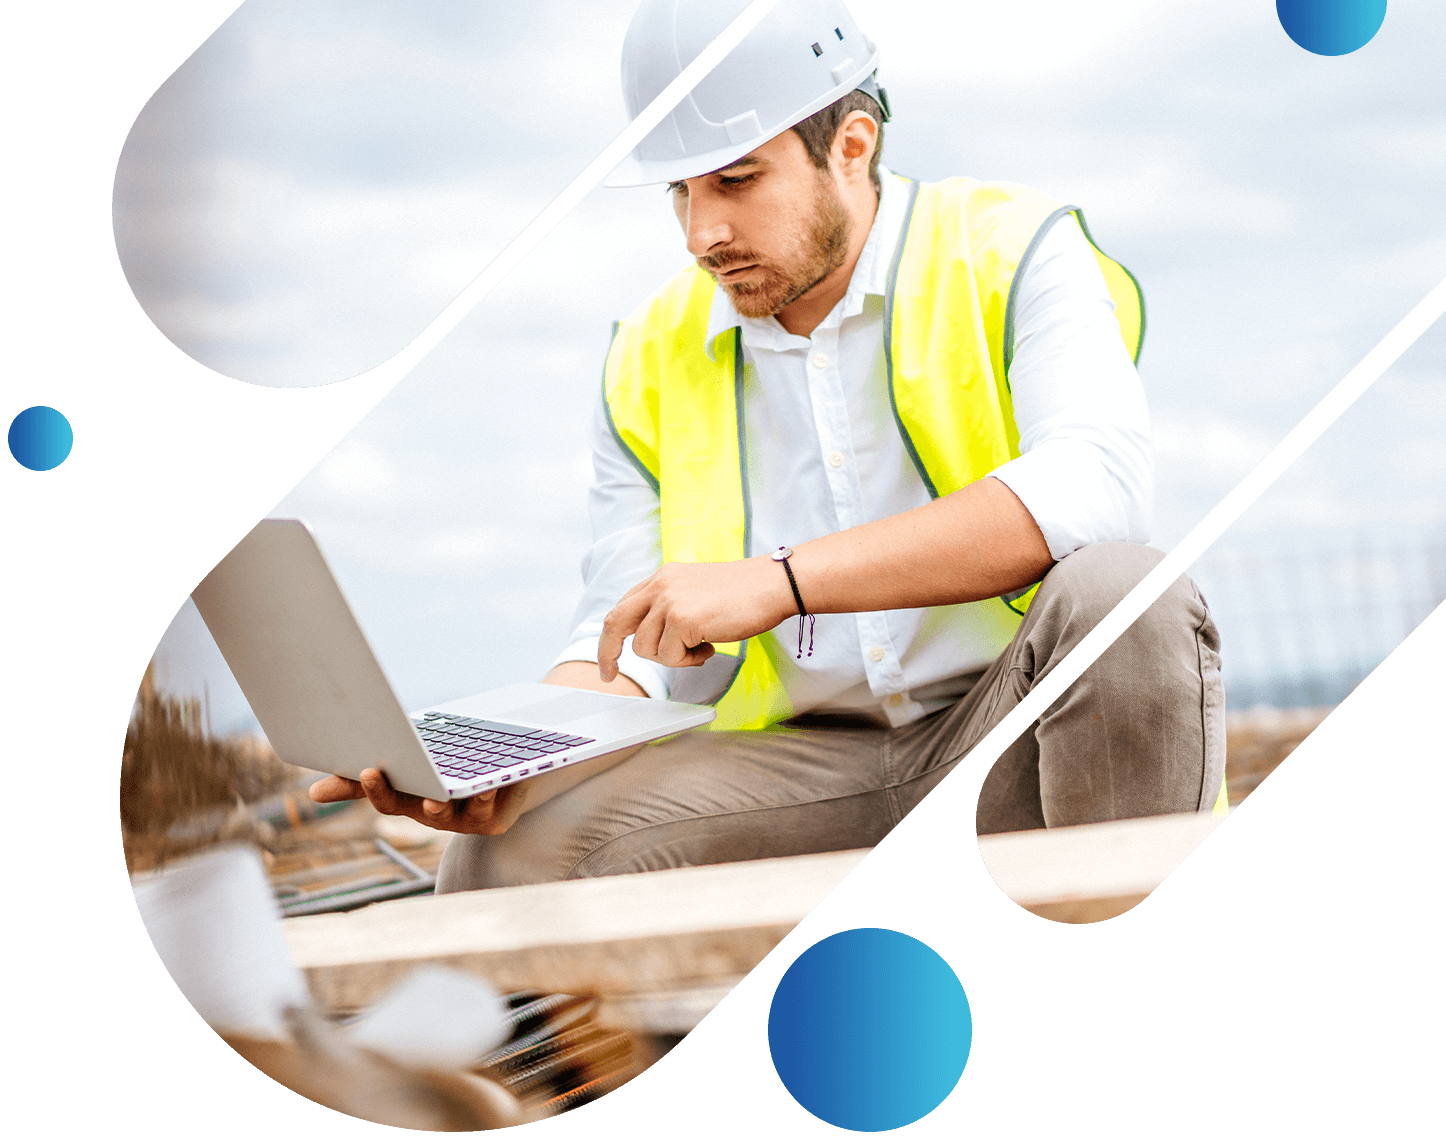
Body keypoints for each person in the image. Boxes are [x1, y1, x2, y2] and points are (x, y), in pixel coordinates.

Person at [310, 0, 1227, 889]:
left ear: (853, 145)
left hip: (1019, 737)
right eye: (681, 191)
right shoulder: (648, 351)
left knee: (1126, 597)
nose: (702, 232)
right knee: (502, 863)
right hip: (802, 775)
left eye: (736, 180)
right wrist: (513, 763)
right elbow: (623, 647)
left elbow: (1096, 493)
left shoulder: (1014, 247)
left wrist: (781, 580)